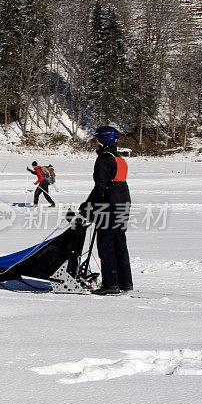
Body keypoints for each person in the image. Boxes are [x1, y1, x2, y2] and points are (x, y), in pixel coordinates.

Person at [79, 126, 133, 295]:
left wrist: (88, 205)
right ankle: (125, 282)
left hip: (109, 203)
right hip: (123, 201)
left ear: (103, 139)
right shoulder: (119, 158)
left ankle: (110, 284)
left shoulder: (104, 158)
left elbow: (100, 186)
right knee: (119, 242)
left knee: (106, 243)